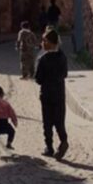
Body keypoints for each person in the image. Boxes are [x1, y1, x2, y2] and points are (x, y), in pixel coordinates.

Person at [34, 27, 68, 159]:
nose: (42, 43)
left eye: (44, 40)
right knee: (59, 120)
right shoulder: (63, 57)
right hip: (59, 93)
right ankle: (63, 141)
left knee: (47, 121)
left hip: (47, 94)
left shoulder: (43, 59)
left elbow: (38, 79)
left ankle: (49, 147)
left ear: (50, 42)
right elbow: (65, 74)